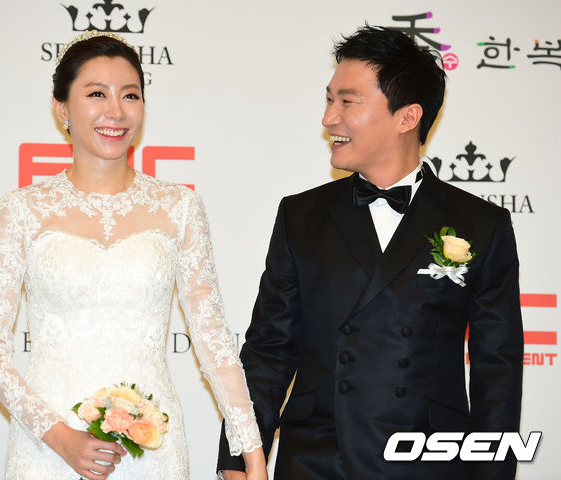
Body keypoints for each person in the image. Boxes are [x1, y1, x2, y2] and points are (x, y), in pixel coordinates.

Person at [217, 25, 523, 480]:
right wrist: (238, 458)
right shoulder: (301, 216)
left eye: (348, 102)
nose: (329, 118)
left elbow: (496, 370)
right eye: (329, 100)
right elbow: (269, 351)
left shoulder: (481, 224)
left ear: (407, 117)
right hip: (318, 462)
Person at [0, 31, 267, 480]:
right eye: (96, 94)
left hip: (153, 448)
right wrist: (58, 435)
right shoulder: (22, 209)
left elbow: (214, 342)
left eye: (130, 95)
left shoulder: (180, 206)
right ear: (61, 108)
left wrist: (252, 451)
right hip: (48, 448)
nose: (116, 111)